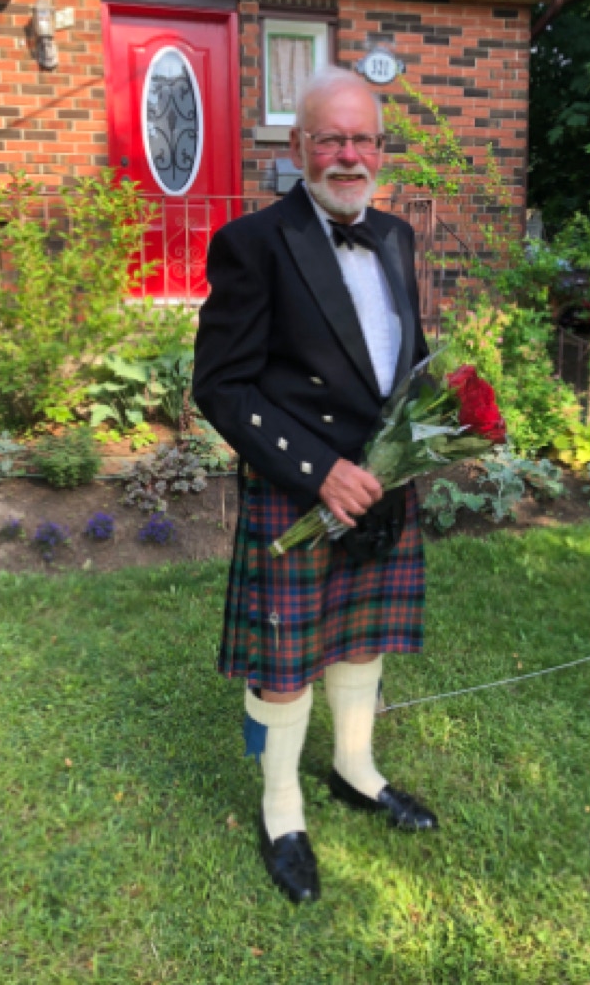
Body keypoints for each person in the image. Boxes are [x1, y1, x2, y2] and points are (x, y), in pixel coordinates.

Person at [193, 66, 437, 904]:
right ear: (298, 147)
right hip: (299, 483)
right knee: (286, 659)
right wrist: (318, 470)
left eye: (363, 139)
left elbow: (404, 354)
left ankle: (355, 770)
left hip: (384, 480)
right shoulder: (254, 242)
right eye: (330, 139)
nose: (348, 155)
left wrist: (436, 423)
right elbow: (221, 385)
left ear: (381, 149)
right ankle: (282, 810)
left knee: (364, 637)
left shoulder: (397, 235)